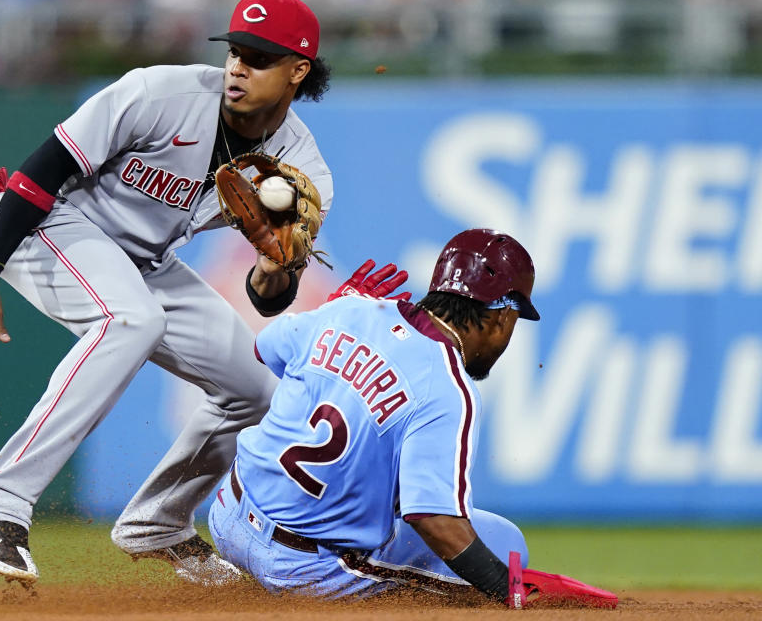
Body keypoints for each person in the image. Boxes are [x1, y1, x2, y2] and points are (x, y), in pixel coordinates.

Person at [0, 0, 333, 585]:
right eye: (234, 52)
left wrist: (275, 261)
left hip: (144, 261)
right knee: (131, 320)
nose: (237, 68)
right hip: (51, 225)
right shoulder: (161, 93)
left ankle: (158, 523)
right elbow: (42, 169)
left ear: (297, 71)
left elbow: (268, 297)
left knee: (257, 393)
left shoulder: (301, 165)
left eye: (257, 58)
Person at [208, 229, 617, 607]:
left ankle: (232, 575)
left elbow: (265, 348)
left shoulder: (350, 309)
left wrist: (333, 313)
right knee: (507, 545)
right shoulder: (448, 385)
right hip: (300, 569)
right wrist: (509, 590)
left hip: (226, 515)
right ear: (500, 317)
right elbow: (434, 520)